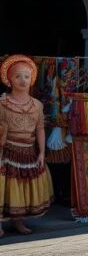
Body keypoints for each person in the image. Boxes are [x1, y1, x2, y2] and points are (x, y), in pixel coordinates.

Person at [0, 55, 53, 235]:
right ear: (9, 80)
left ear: (32, 80)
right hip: (6, 151)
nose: (23, 80)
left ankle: (18, 221)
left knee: (21, 188)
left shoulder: (37, 105)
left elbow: (40, 129)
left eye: (26, 76)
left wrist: (41, 153)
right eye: (18, 76)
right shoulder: (2, 102)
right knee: (3, 187)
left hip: (29, 151)